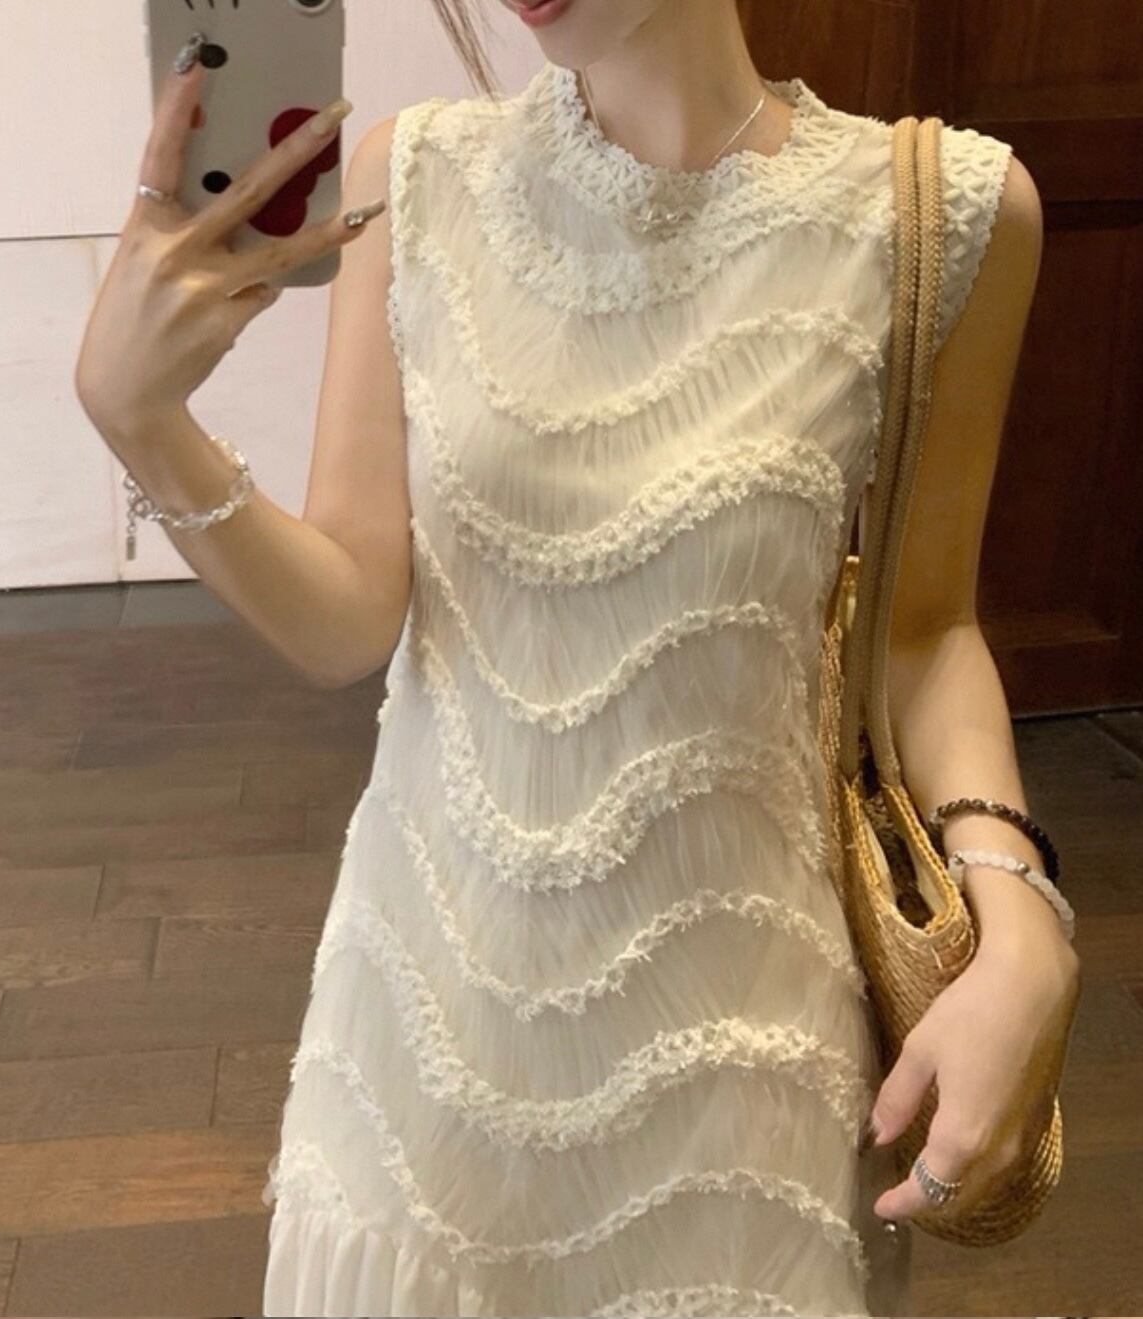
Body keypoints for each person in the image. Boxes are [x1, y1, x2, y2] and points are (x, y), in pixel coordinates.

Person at [74, 1, 1080, 1315]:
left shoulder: (940, 211)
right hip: (424, 1060)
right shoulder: (415, 177)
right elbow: (349, 616)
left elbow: (925, 631)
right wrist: (145, 424)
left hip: (739, 1079)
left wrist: (1020, 912)